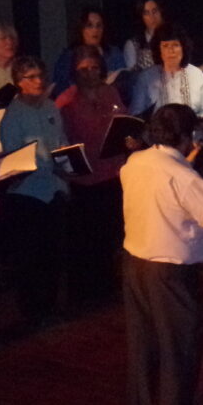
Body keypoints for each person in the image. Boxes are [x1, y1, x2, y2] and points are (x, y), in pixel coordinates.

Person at [121, 104, 203, 405]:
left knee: (144, 351)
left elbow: (162, 194)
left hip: (136, 266)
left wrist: (186, 164)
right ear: (186, 136)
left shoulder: (134, 162)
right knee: (179, 353)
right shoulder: (183, 178)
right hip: (172, 275)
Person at [0, 56, 70, 327]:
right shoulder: (12, 116)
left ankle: (49, 306)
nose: (39, 81)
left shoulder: (51, 107)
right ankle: (32, 311)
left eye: (41, 75)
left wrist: (68, 166)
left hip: (54, 189)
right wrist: (45, 165)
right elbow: (14, 156)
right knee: (30, 257)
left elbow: (61, 142)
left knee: (53, 253)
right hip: (28, 194)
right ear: (19, 82)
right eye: (31, 77)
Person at [59, 46, 129, 307]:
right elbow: (60, 141)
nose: (89, 73)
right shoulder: (66, 101)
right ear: (75, 72)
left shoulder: (110, 92)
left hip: (111, 172)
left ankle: (107, 288)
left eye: (94, 68)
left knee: (109, 235)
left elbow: (122, 120)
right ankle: (86, 294)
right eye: (83, 69)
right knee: (86, 240)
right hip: (84, 179)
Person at [130, 23, 203, 119]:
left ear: (183, 48)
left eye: (175, 45)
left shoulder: (197, 75)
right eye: (165, 46)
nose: (171, 50)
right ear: (158, 50)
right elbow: (135, 115)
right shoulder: (146, 77)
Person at [51, 7, 127, 100]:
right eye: (89, 25)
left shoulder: (114, 53)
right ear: (81, 29)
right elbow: (60, 87)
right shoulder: (68, 56)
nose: (95, 30)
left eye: (99, 25)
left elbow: (123, 80)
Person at [123, 0, 164, 72]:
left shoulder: (173, 38)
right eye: (146, 13)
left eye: (154, 11)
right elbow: (133, 76)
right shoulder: (133, 44)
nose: (152, 17)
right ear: (141, 17)